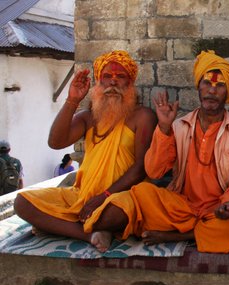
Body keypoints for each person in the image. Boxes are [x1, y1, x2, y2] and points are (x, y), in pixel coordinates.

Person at [84, 51, 229, 253]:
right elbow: (155, 171)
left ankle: (178, 235)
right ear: (198, 88)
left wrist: (228, 204)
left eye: (219, 86)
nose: (212, 90)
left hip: (217, 209)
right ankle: (198, 231)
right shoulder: (179, 126)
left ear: (227, 93)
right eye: (206, 84)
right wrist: (164, 128)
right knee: (140, 194)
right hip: (179, 207)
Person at [14, 50, 157, 249]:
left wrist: (103, 197)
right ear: (98, 83)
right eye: (107, 77)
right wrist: (72, 100)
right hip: (83, 195)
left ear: (130, 84)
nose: (113, 82)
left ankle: (61, 225)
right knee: (22, 203)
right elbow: (56, 142)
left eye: (120, 77)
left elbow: (141, 168)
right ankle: (88, 234)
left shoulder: (143, 116)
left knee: (117, 213)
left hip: (121, 196)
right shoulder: (87, 117)